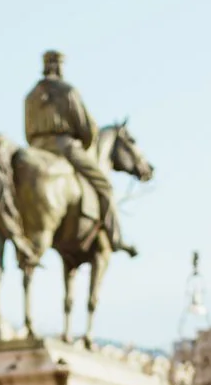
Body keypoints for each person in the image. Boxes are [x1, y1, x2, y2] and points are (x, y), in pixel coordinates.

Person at [24, 51, 136, 257]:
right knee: (104, 184)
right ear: (59, 67)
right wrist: (83, 144)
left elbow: (27, 131)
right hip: (64, 147)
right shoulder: (67, 91)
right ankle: (116, 237)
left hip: (37, 149)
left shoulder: (31, 95)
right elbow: (87, 129)